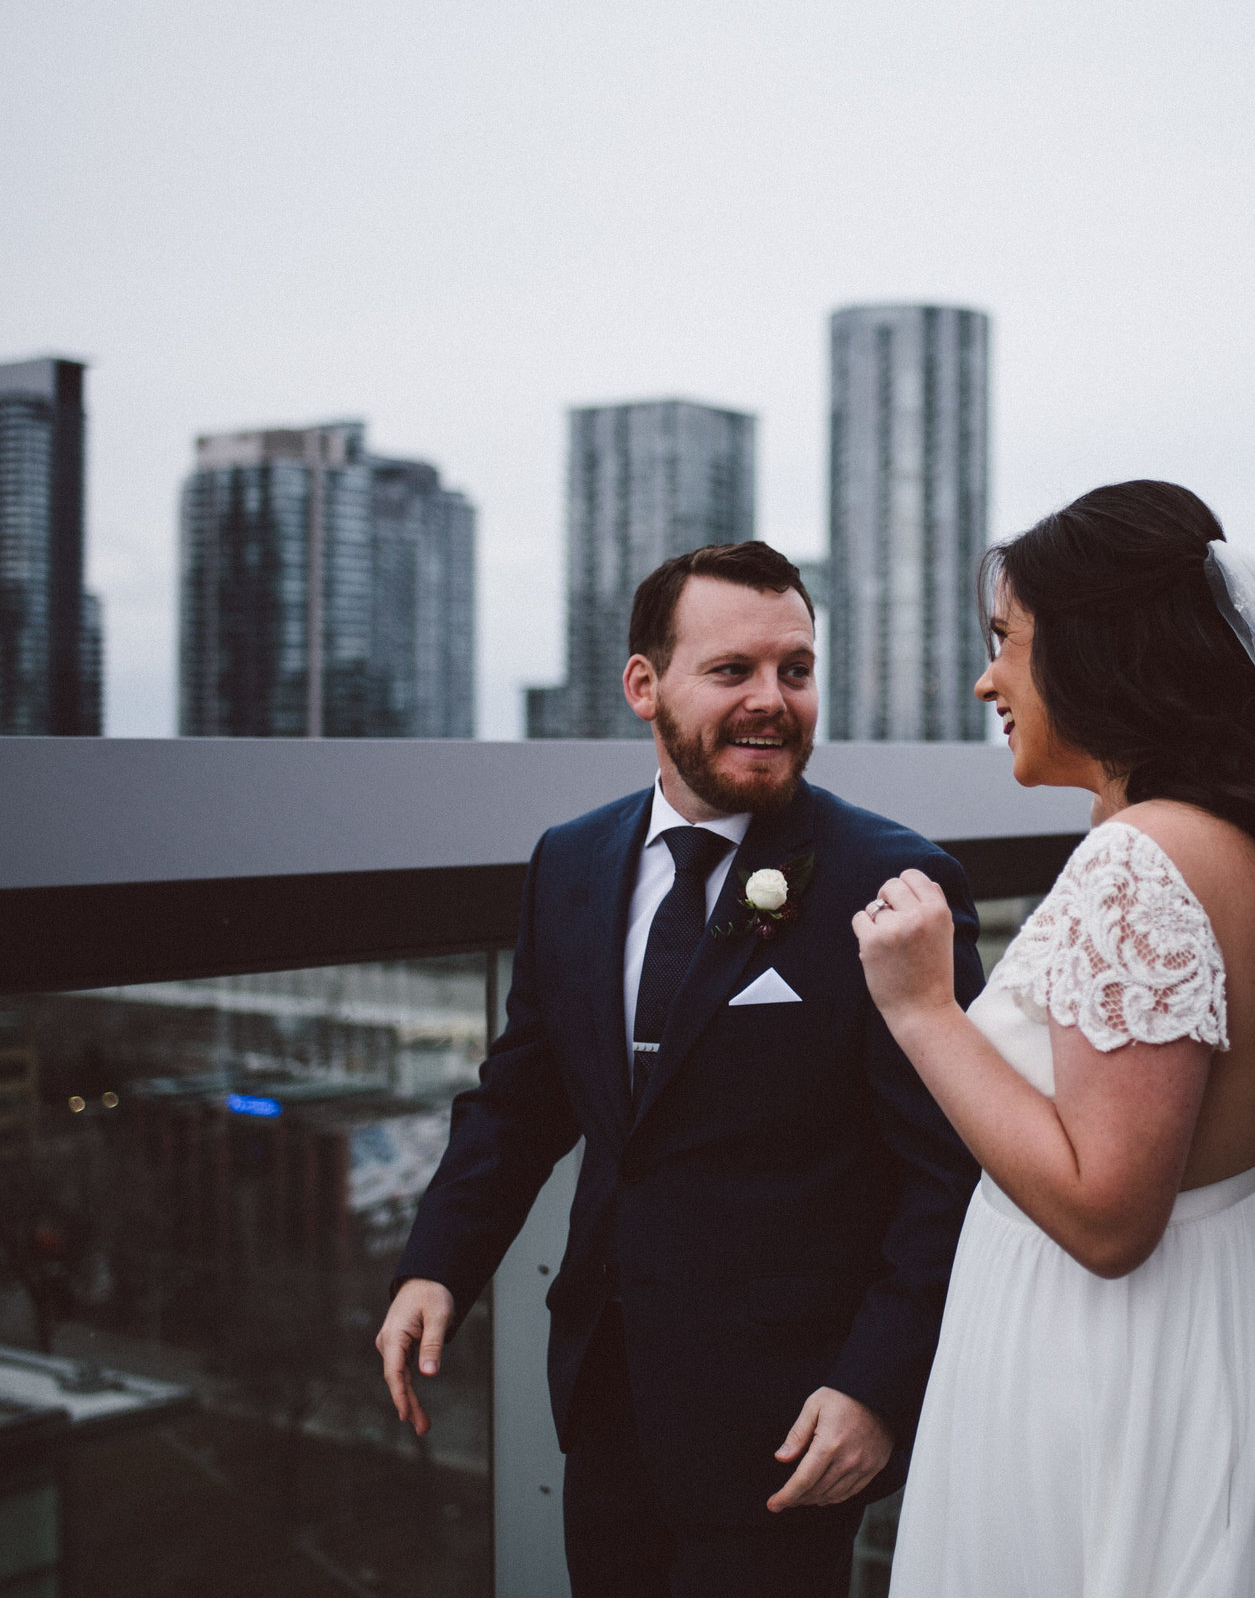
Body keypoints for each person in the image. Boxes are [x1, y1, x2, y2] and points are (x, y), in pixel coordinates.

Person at [855, 481, 1255, 1596]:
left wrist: (921, 1009)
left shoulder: (1139, 864)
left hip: (1118, 1360)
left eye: (1005, 642)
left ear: (1099, 653)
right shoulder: (1244, 837)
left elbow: (1109, 1214)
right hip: (1227, 1317)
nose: (985, 677)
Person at [378, 541, 984, 1597]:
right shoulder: (568, 861)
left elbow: (947, 1171)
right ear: (643, 685)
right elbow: (522, 1097)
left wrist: (877, 1387)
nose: (771, 700)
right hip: (604, 1396)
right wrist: (437, 1263)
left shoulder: (891, 879)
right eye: (732, 671)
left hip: (791, 1429)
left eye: (794, 670)